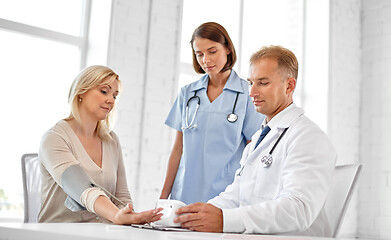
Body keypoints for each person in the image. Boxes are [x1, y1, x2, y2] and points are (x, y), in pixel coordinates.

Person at [174, 45, 337, 236]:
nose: (251, 93)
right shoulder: (260, 137)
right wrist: (198, 216)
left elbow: (298, 210)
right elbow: (237, 194)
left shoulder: (308, 137)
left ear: (289, 86)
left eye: (263, 83)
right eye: (251, 83)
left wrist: (224, 220)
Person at [39, 65, 162, 224]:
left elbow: (121, 197)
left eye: (115, 96)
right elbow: (81, 188)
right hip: (60, 233)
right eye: (104, 91)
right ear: (81, 91)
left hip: (102, 233)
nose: (111, 100)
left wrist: (129, 217)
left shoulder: (111, 140)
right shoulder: (54, 138)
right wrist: (116, 216)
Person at [160, 22, 263, 204]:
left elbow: (253, 153)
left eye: (212, 51)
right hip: (184, 195)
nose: (205, 60)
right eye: (199, 54)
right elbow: (178, 149)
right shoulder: (188, 93)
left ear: (228, 49)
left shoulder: (247, 94)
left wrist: (250, 200)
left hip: (226, 197)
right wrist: (162, 200)